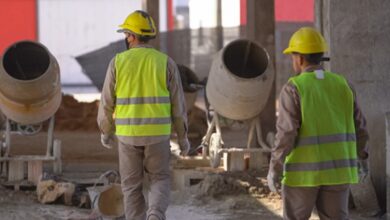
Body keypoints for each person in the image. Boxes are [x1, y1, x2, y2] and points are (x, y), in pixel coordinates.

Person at [267, 27, 369, 220]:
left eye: (292, 56)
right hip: (338, 173)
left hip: (302, 177)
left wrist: (275, 168)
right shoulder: (343, 85)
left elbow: (286, 134)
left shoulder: (294, 88)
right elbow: (360, 127)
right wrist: (363, 158)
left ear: (299, 58)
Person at [97, 10, 190, 220]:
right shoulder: (165, 62)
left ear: (132, 36)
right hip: (157, 136)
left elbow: (106, 103)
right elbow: (178, 106)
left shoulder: (117, 62)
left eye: (126, 34)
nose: (125, 38)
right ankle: (155, 215)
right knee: (160, 179)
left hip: (128, 136)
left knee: (131, 186)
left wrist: (105, 130)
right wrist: (183, 138)